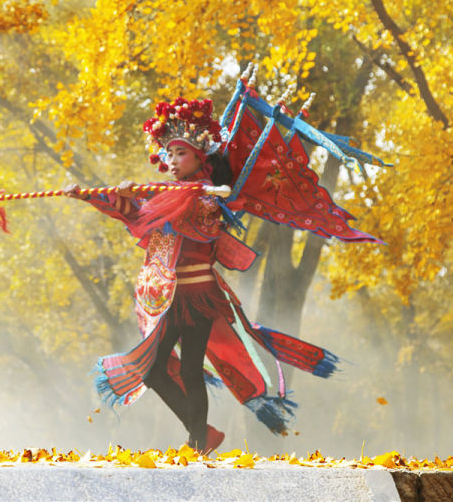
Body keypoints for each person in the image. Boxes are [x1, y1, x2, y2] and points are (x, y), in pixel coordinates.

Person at [63, 96, 342, 452]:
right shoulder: (169, 194)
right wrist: (88, 197)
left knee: (184, 369)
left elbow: (179, 218)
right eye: (169, 154)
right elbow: (135, 215)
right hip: (170, 297)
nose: (172, 160)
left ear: (200, 158)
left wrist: (144, 196)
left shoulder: (209, 197)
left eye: (180, 153)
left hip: (198, 296)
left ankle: (199, 440)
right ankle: (202, 436)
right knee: (158, 370)